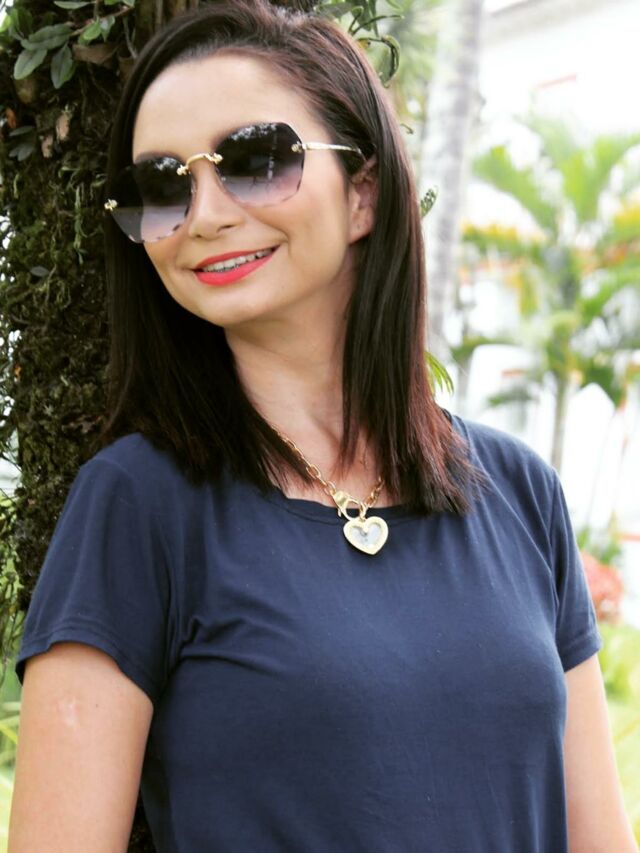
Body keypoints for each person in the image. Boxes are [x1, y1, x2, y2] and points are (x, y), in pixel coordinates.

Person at [8, 1, 638, 851]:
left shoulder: (521, 493)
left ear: (364, 194)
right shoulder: (135, 507)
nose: (203, 214)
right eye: (161, 186)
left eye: (254, 160)